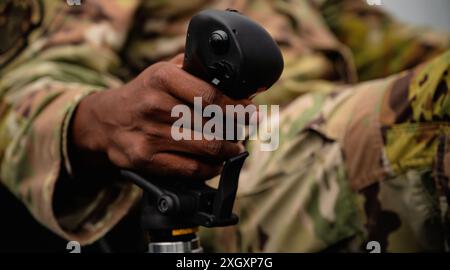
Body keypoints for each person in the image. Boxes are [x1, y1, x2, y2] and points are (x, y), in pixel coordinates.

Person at [0, 0, 448, 252]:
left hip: (334, 118)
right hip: (235, 152)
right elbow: (25, 89)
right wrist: (102, 122)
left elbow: (401, 48)